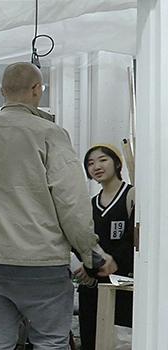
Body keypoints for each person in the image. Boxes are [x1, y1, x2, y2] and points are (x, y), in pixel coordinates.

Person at [0, 62, 117, 350]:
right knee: (50, 342)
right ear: (37, 90)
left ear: (3, 92)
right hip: (40, 263)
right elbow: (71, 201)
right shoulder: (50, 134)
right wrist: (92, 255)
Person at [76, 144, 136, 349]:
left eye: (103, 160)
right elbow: (81, 240)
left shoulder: (131, 196)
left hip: (123, 284)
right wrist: (89, 264)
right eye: (90, 163)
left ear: (117, 163)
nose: (96, 166)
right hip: (93, 285)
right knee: (91, 338)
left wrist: (109, 262)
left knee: (120, 340)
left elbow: (133, 240)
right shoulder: (89, 205)